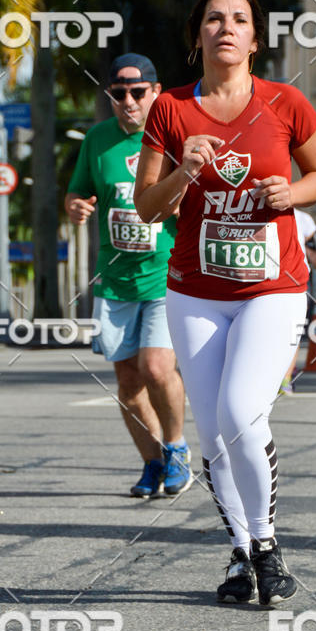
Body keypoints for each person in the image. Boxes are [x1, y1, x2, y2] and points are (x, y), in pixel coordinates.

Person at [134, 0, 316, 606]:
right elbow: (147, 207)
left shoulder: (285, 101)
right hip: (194, 292)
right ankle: (241, 553)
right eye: (214, 19)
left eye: (239, 19)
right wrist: (185, 170)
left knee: (243, 411)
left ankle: (268, 545)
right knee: (215, 430)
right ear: (198, 36)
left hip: (272, 287)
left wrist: (291, 194)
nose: (226, 27)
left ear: (255, 38)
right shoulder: (169, 109)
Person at [65, 53, 193, 498]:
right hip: (115, 280)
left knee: (155, 368)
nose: (129, 100)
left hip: (163, 275)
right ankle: (152, 462)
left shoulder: (173, 137)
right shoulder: (97, 138)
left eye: (138, 91)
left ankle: (177, 449)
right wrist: (75, 206)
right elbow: (77, 192)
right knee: (128, 383)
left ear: (156, 92)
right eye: (119, 93)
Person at [279, 208, 316, 395]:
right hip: (294, 281)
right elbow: (313, 253)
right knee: (293, 332)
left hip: (268, 279)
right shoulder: (303, 218)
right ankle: (285, 380)